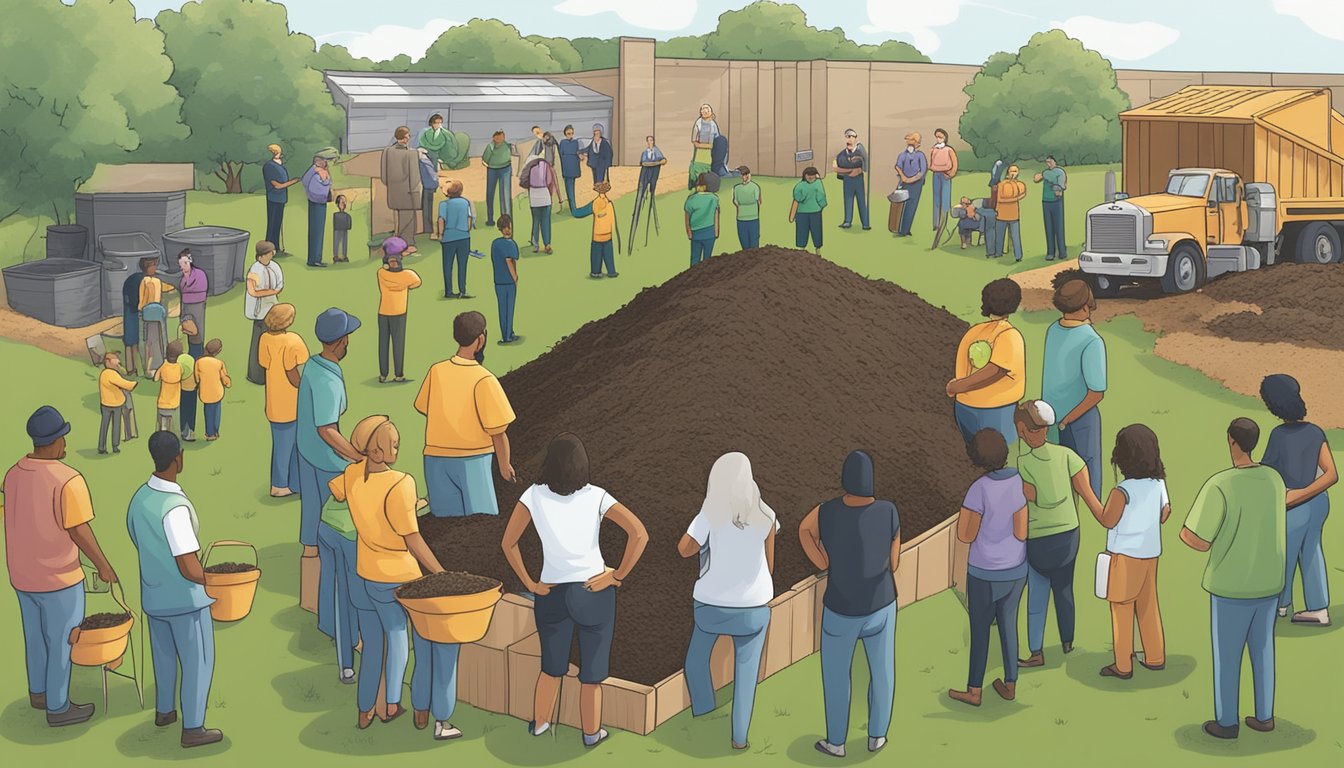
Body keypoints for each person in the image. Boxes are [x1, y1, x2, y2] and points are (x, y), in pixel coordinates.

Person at [501, 432, 649, 748]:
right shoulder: (597, 496)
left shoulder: (533, 496)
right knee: (592, 673)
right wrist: (617, 575)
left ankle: (540, 724)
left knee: (551, 667)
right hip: (594, 591)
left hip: (551, 592)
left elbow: (508, 543)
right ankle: (591, 733)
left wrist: (530, 584)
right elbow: (638, 533)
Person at [328, 416, 456, 736]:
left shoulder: (352, 474)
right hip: (399, 575)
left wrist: (361, 459)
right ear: (378, 449)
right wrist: (441, 573)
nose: (397, 448)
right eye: (391, 444)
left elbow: (338, 491)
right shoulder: (402, 482)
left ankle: (364, 709)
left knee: (373, 645)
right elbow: (412, 538)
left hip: (366, 572)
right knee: (400, 639)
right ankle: (392, 704)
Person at [5, 405, 118, 728]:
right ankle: (58, 706)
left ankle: (38, 693)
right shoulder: (68, 479)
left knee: (35, 637)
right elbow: (79, 529)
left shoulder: (13, 474)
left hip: (22, 574)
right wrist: (104, 566)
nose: (65, 445)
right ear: (54, 441)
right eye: (63, 439)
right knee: (63, 639)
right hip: (59, 578)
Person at [1181, 418, 1286, 740]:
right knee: (1263, 649)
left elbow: (1194, 536)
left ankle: (1227, 721)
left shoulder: (1220, 484)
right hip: (1269, 582)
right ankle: (1264, 714)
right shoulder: (1274, 479)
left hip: (1231, 585)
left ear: (1231, 440)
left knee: (1227, 656)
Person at [126, 431, 223, 748]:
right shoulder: (174, 507)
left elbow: (136, 537)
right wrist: (215, 581)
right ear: (179, 459)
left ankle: (165, 711)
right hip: (185, 600)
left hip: (153, 596)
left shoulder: (140, 497)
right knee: (198, 662)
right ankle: (193, 727)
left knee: (164, 657)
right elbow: (188, 564)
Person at [799, 450, 898, 758]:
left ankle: (836, 742)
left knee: (837, 675)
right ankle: (877, 736)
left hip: (841, 606)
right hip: (882, 603)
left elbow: (804, 530)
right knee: (882, 670)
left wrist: (823, 560)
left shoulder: (826, 511)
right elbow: (893, 564)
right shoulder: (889, 511)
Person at [678, 452, 778, 750]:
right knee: (745, 674)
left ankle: (705, 709)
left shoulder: (710, 512)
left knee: (695, 660)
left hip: (711, 608)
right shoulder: (766, 514)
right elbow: (770, 566)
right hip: (754, 609)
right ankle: (739, 739)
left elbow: (684, 549)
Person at [1015, 400, 1102, 669]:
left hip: (1038, 539)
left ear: (1021, 430)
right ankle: (1067, 641)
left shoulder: (1021, 463)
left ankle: (1036, 651)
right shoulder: (1067, 456)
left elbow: (1030, 497)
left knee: (1038, 594)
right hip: (1068, 534)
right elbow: (1085, 486)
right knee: (1065, 589)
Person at [949, 429, 1027, 707]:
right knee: (1009, 625)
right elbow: (1021, 531)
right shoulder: (1019, 480)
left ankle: (974, 690)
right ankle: (1010, 683)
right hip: (1016, 568)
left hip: (984, 571)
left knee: (980, 629)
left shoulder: (978, 490)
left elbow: (965, 535)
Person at [414, 311, 517, 516]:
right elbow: (498, 431)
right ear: (481, 339)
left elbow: (423, 406)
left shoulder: (436, 371)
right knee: (482, 520)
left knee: (448, 524)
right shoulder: (484, 379)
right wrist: (505, 466)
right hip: (472, 461)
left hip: (434, 460)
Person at [1092, 424, 1169, 679]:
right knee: (1148, 605)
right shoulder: (1158, 483)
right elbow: (1165, 512)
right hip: (1151, 553)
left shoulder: (1121, 491)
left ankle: (1123, 664)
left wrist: (1089, 496)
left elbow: (1107, 519)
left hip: (1124, 555)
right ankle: (1155, 656)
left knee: (1122, 608)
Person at [1260, 374, 1336, 626]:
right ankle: (1318, 608)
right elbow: (1331, 474)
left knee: (1285, 553)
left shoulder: (1278, 435)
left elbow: (1268, 472)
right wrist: (1309, 492)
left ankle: (1280, 604)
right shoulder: (1315, 432)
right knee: (1311, 551)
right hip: (1319, 503)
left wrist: (1294, 496)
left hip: (1294, 504)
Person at [297, 308, 363, 560]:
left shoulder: (313, 364)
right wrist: (356, 456)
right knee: (334, 520)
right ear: (342, 341)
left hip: (306, 450)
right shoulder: (329, 380)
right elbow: (326, 429)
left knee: (311, 512)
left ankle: (310, 561)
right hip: (326, 459)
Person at [1042, 279, 1107, 499]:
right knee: (1088, 473)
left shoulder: (1053, 330)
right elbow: (1097, 392)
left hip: (1051, 416)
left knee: (1059, 475)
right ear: (1084, 306)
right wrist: (1068, 419)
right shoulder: (1092, 340)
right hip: (1079, 420)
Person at [947, 279, 1026, 446]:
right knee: (1002, 459)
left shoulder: (973, 331)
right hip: (996, 410)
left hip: (965, 408)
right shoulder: (1009, 335)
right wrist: (957, 387)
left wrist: (957, 387)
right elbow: (995, 370)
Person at [257, 303, 308, 498]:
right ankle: (279, 484)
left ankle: (293, 482)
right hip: (291, 400)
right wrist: (304, 388)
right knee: (287, 445)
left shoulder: (265, 339)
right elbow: (293, 371)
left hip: (273, 400)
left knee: (285, 443)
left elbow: (264, 363)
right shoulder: (293, 340)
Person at [375, 236, 421, 384]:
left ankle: (383, 374)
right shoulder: (407, 275)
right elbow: (416, 281)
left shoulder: (381, 273)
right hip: (399, 313)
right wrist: (403, 286)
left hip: (383, 312)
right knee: (398, 343)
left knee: (383, 344)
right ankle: (398, 374)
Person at [245, 240, 285, 385]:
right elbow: (252, 291)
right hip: (259, 312)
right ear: (261, 255)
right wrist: (270, 292)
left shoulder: (275, 267)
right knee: (259, 342)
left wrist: (271, 293)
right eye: (269, 253)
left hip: (272, 309)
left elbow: (279, 286)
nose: (271, 255)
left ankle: (272, 372)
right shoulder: (255, 270)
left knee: (273, 341)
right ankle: (256, 375)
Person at [382, 126, 422, 249]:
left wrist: (392, 186)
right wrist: (416, 192)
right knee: (408, 220)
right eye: (408, 135)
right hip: (409, 192)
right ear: (405, 138)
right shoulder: (412, 153)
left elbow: (384, 176)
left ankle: (398, 240)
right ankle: (407, 244)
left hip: (393, 191)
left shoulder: (387, 151)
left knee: (399, 217)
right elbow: (415, 177)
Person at [436, 179, 474, 299]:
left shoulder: (444, 204)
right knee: (462, 265)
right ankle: (462, 290)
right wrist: (467, 230)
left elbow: (441, 220)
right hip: (464, 237)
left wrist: (440, 234)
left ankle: (449, 291)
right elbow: (469, 218)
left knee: (447, 265)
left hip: (449, 237)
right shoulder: (465, 203)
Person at [572, 181, 618, 278]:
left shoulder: (595, 203)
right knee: (608, 254)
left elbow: (580, 213)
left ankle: (596, 272)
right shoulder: (609, 203)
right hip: (608, 233)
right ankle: (611, 271)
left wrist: (574, 211)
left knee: (596, 254)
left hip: (598, 234)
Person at [302, 148, 339, 267]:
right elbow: (315, 185)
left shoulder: (317, 171)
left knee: (317, 230)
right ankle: (314, 259)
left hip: (317, 201)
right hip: (316, 201)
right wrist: (325, 181)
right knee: (316, 231)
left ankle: (315, 257)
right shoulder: (317, 172)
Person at [138, 259, 175, 375]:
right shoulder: (145, 281)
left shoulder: (158, 281)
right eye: (151, 266)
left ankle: (161, 362)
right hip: (148, 313)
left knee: (161, 337)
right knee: (149, 340)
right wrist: (141, 308)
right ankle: (149, 367)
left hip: (157, 312)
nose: (154, 268)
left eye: (155, 266)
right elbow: (142, 299)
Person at [98, 352, 138, 454]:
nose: (118, 361)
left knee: (105, 425)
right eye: (115, 359)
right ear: (108, 362)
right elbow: (124, 384)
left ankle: (102, 446)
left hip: (105, 404)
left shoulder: (104, 374)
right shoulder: (111, 374)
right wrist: (134, 383)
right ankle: (114, 446)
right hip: (115, 404)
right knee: (116, 425)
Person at [263, 143, 300, 252]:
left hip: (281, 198)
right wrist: (293, 181)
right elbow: (277, 185)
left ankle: (276, 247)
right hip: (273, 197)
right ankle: (268, 248)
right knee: (272, 223)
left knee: (278, 224)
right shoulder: (269, 166)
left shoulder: (280, 166)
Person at [492, 216, 520, 344]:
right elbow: (510, 261)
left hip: (498, 280)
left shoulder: (495, 244)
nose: (508, 230)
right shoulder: (511, 244)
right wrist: (515, 277)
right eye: (506, 227)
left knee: (502, 308)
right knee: (509, 308)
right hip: (508, 281)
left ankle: (505, 334)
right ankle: (509, 334)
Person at [833, 129, 870, 230]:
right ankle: (847, 221)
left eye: (851, 137)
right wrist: (850, 170)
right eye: (847, 137)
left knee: (861, 201)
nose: (849, 140)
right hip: (847, 181)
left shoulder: (860, 151)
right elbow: (835, 167)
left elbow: (865, 163)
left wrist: (860, 169)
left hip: (858, 180)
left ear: (855, 138)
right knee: (848, 200)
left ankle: (865, 223)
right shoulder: (841, 155)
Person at [194, 339, 230, 441]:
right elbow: (225, 379)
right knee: (216, 412)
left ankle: (209, 433)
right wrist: (228, 383)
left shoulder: (199, 362)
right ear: (217, 352)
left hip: (205, 393)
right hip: (217, 392)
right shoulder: (219, 363)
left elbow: (197, 379)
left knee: (208, 412)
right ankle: (215, 431)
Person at [523, 152, 559, 254]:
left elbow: (525, 181)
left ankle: (536, 245)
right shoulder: (545, 165)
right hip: (545, 195)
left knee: (536, 221)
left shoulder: (528, 166)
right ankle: (547, 245)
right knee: (546, 221)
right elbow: (549, 181)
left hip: (534, 197)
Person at [1034, 156, 1068, 261]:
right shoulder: (1045, 172)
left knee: (1059, 227)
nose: (1048, 164)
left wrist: (1057, 187)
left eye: (1050, 162)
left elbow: (1061, 187)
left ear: (1054, 161)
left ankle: (1062, 251)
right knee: (1048, 228)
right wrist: (1039, 176)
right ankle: (1050, 252)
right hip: (1046, 201)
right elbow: (1036, 179)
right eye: (1047, 162)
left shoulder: (1060, 172)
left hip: (1056, 202)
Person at [894, 132, 927, 237]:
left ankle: (905, 230)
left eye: (915, 141)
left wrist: (911, 179)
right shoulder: (902, 155)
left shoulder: (920, 155)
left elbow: (922, 171)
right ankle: (896, 227)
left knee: (911, 207)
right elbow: (898, 166)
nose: (913, 143)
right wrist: (903, 177)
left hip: (916, 185)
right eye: (910, 141)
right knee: (900, 206)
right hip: (903, 183)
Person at [789, 167, 827, 255]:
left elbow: (821, 197)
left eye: (812, 176)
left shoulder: (818, 183)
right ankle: (801, 251)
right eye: (808, 176)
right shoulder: (800, 186)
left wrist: (821, 205)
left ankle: (818, 251)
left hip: (815, 213)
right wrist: (792, 216)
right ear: (805, 176)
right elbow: (796, 201)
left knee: (817, 231)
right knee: (802, 231)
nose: (810, 178)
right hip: (802, 213)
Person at [685, 173, 720, 266]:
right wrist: (716, 231)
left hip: (696, 233)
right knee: (707, 259)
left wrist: (689, 231)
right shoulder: (714, 199)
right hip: (709, 233)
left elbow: (687, 218)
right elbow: (716, 216)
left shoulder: (691, 199)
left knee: (694, 258)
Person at [994, 165, 1027, 261]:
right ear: (1008, 172)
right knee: (1000, 236)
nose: (1013, 173)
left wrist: (1016, 198)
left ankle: (1018, 256)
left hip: (1014, 215)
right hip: (1002, 214)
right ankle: (998, 253)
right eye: (1012, 171)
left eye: (1015, 171)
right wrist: (1016, 198)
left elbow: (1022, 193)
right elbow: (1000, 199)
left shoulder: (1019, 184)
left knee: (1016, 237)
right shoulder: (1002, 184)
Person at [929, 128, 959, 229]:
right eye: (937, 137)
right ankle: (936, 223)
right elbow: (930, 163)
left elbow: (955, 164)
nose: (938, 139)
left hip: (946, 175)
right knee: (936, 198)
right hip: (936, 175)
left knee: (945, 198)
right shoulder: (933, 149)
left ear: (945, 138)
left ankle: (944, 222)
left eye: (940, 137)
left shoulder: (949, 150)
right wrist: (932, 168)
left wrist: (951, 174)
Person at [481, 130, 513, 226]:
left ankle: (507, 220)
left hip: (505, 169)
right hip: (492, 169)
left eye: (501, 136)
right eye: (497, 136)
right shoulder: (490, 146)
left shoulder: (508, 146)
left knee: (505, 195)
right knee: (490, 194)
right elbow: (485, 158)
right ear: (493, 137)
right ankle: (490, 219)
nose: (499, 138)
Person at [177, 250, 208, 345]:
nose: (183, 266)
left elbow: (198, 287)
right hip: (186, 304)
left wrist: (187, 279)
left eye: (185, 263)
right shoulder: (183, 277)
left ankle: (197, 348)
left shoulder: (199, 274)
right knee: (186, 325)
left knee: (197, 329)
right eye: (181, 264)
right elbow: (182, 288)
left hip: (197, 303)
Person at [153, 341, 184, 434]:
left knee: (161, 428)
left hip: (162, 403)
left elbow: (155, 378)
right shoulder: (179, 367)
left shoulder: (163, 367)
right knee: (174, 429)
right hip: (174, 403)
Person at [121, 263, 146, 377]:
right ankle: (136, 369)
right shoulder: (143, 280)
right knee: (135, 342)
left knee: (129, 342)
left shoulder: (131, 279)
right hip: (134, 312)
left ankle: (130, 368)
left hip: (128, 310)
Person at [732, 166, 762, 250]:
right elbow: (735, 202)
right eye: (742, 175)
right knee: (746, 245)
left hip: (752, 219)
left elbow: (759, 202)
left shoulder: (755, 187)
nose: (743, 177)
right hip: (743, 219)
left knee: (753, 245)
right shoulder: (737, 188)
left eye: (745, 175)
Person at [558, 125, 583, 213]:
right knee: (567, 189)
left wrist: (580, 156)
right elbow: (560, 155)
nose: (570, 135)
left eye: (572, 133)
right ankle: (572, 207)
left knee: (570, 189)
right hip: (566, 168)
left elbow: (578, 152)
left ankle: (573, 208)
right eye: (568, 133)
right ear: (565, 134)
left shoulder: (576, 142)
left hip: (573, 168)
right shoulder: (563, 142)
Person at [418, 148, 438, 236]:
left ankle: (427, 227)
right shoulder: (428, 161)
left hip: (427, 186)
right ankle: (428, 227)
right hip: (430, 185)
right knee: (428, 207)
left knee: (426, 207)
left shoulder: (423, 163)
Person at [332, 195, 352, 263]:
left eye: (344, 202)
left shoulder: (347, 216)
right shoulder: (336, 215)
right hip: (337, 230)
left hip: (344, 230)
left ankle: (343, 256)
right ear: (338, 204)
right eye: (341, 202)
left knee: (344, 242)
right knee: (337, 242)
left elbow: (349, 225)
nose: (344, 204)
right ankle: (336, 256)